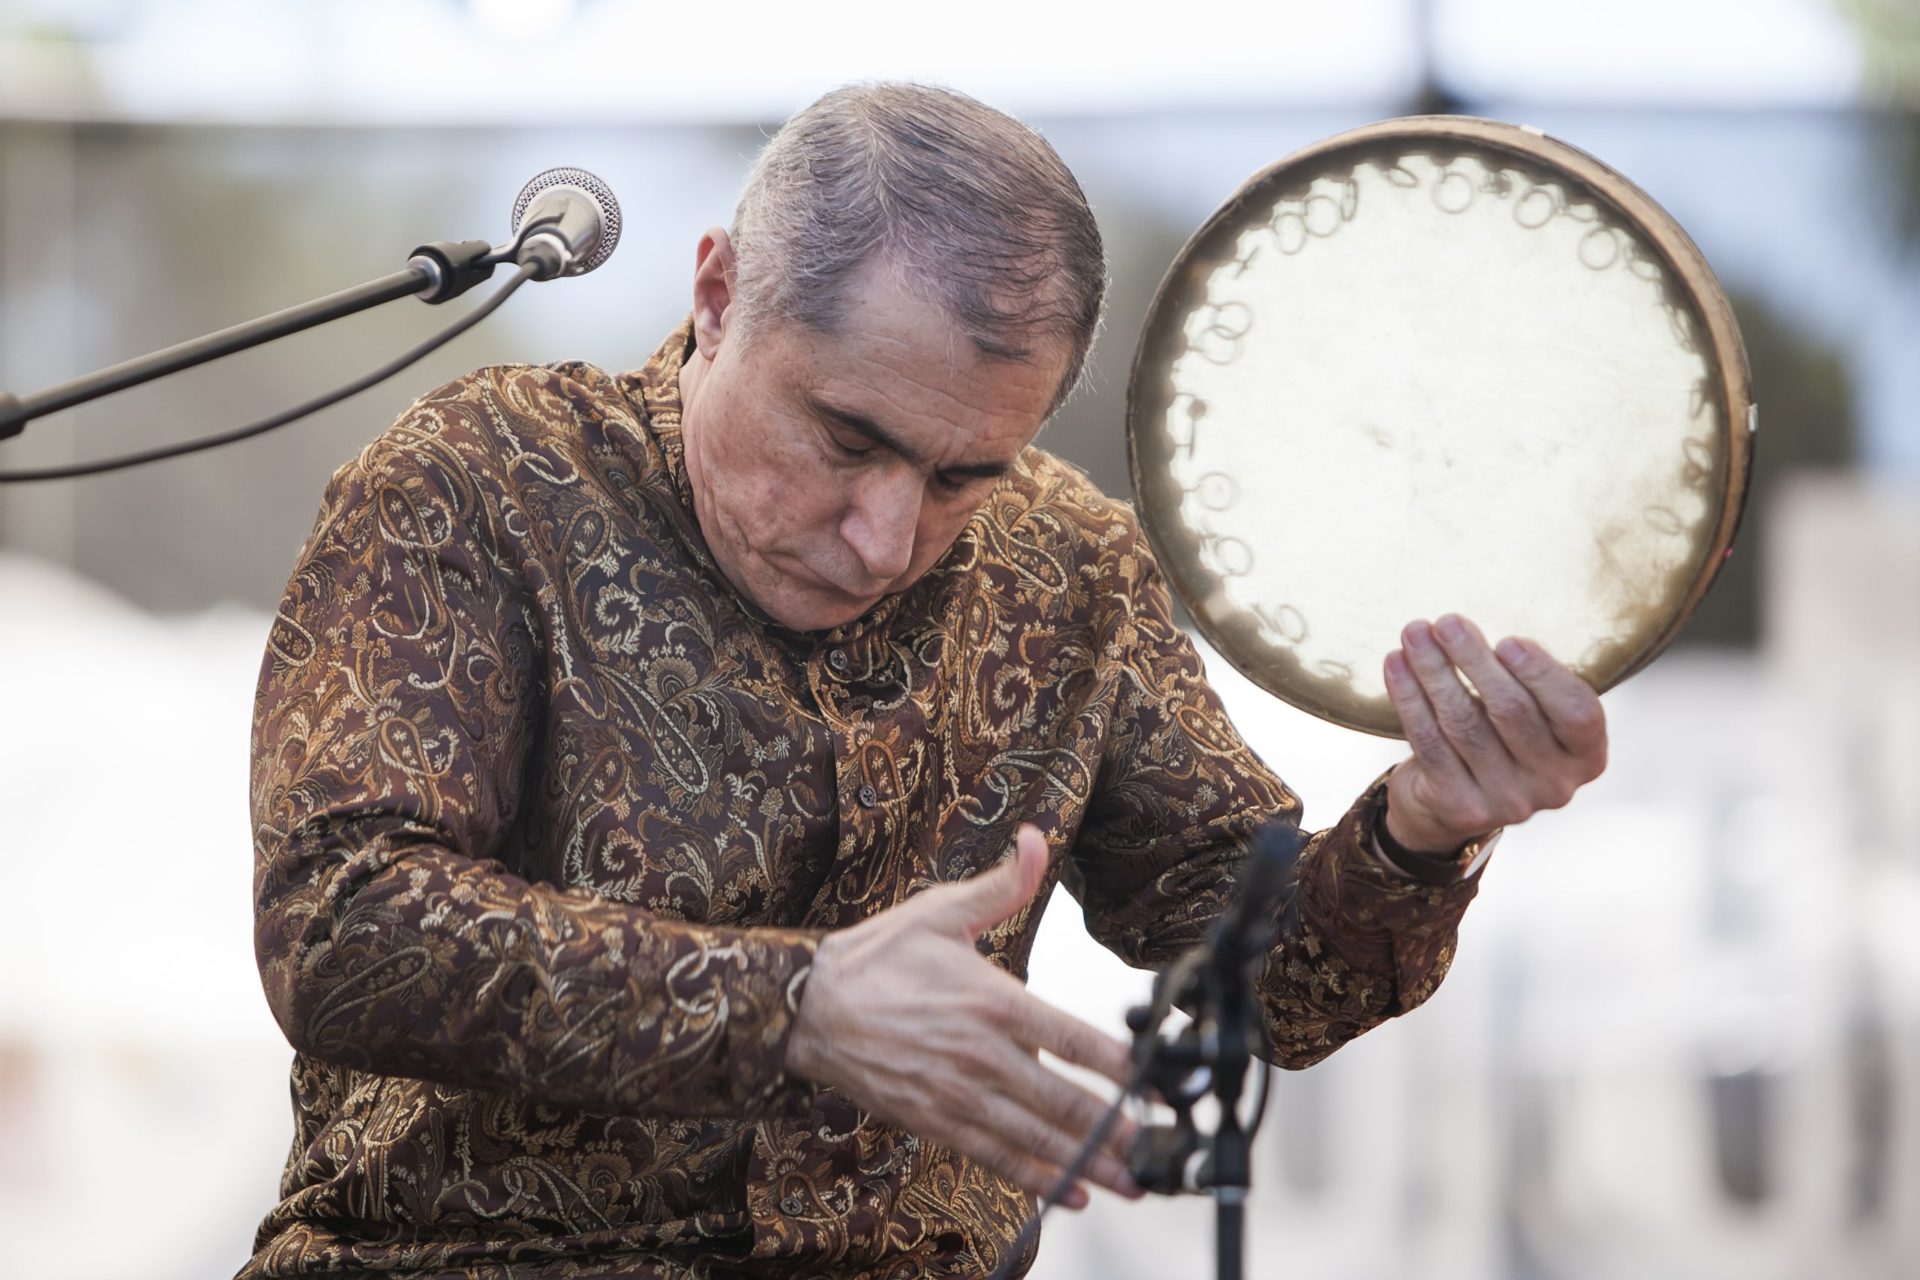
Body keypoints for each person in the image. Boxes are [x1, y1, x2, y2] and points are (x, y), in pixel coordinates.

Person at [242, 83, 1606, 1279]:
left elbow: (1269, 984)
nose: (887, 537)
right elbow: (342, 926)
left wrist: (1428, 829)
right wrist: (795, 1007)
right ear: (716, 297)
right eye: (847, 439)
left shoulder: (1072, 567)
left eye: (965, 476)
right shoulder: (481, 482)